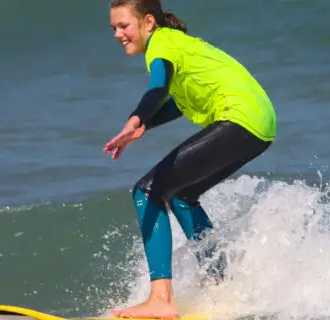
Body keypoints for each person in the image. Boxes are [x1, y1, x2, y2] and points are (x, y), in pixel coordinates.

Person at [104, 0, 277, 318]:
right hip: (260, 125)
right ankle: (220, 283)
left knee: (147, 191)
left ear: (148, 23)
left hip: (239, 119)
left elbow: (157, 90)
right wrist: (145, 124)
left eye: (124, 26)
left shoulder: (162, 45)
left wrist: (137, 116)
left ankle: (161, 300)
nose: (118, 33)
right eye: (113, 27)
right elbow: (179, 103)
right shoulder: (179, 46)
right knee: (182, 195)